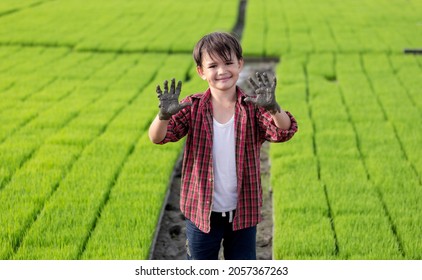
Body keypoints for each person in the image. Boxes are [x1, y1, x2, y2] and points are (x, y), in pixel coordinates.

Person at [148, 32, 298, 260]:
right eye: (213, 65)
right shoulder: (193, 107)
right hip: (201, 213)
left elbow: (283, 132)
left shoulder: (253, 108)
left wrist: (273, 107)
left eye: (228, 63)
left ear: (240, 64)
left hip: (243, 212)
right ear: (201, 72)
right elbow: (158, 137)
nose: (222, 71)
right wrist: (163, 116)